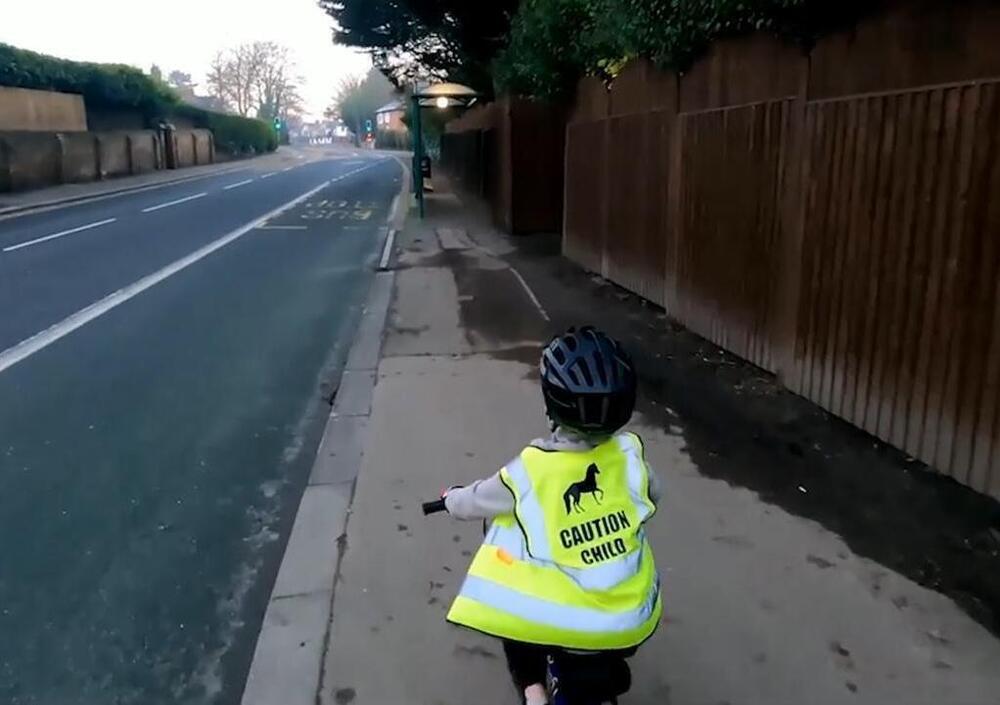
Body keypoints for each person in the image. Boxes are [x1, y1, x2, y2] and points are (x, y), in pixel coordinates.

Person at [443, 326, 662, 705]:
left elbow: (474, 503)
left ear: (552, 405)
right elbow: (652, 497)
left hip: (563, 621)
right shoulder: (630, 457)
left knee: (514, 613)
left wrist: (450, 499)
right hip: (631, 617)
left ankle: (532, 690)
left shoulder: (531, 469)